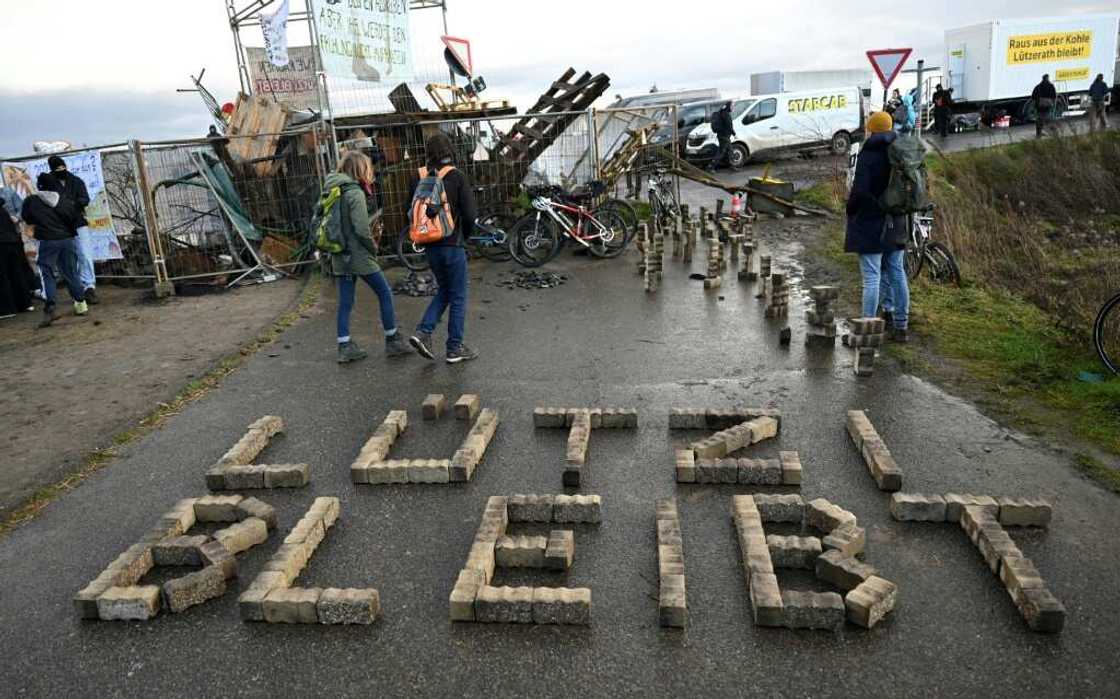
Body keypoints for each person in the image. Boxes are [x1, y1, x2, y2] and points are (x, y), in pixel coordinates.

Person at [324, 151, 410, 362]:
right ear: (361, 169)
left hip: (339, 253)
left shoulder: (331, 189)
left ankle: (344, 346)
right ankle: (393, 340)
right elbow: (362, 229)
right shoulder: (354, 193)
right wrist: (372, 247)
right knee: (384, 293)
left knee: (345, 302)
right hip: (359, 256)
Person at [408, 132, 479, 364]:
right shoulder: (457, 177)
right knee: (457, 295)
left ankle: (423, 332)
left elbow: (409, 211)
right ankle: (454, 347)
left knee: (445, 290)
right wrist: (464, 237)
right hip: (452, 244)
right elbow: (469, 215)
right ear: (451, 150)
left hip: (429, 244)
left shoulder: (417, 176)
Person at [844, 111, 909, 342]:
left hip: (872, 221)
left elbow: (860, 191)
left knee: (871, 277)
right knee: (896, 271)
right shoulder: (901, 150)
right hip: (898, 220)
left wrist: (850, 208)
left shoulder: (869, 154)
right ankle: (900, 326)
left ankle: (867, 329)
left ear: (872, 129)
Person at [21, 174, 88, 327]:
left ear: (39, 186)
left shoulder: (31, 201)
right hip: (67, 240)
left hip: (47, 241)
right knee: (71, 271)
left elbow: (27, 218)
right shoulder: (64, 200)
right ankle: (81, 303)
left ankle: (50, 306)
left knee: (47, 272)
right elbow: (73, 218)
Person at [39, 156, 98, 304]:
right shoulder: (49, 182)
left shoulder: (76, 181)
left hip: (78, 222)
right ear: (52, 169)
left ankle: (89, 286)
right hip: (61, 227)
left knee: (84, 254)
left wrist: (73, 205)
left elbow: (85, 198)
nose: (61, 171)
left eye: (62, 167)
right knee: (69, 260)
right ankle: (77, 290)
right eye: (57, 169)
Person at [0, 188, 36, 318]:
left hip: (2, 245)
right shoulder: (3, 210)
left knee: (3, 276)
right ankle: (25, 303)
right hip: (13, 242)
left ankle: (6, 309)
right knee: (17, 273)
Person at [709, 102, 735, 171]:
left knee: (730, 150)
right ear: (728, 106)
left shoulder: (722, 112)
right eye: (732, 106)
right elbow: (729, 125)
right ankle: (711, 166)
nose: (733, 107)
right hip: (724, 136)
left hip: (722, 135)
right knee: (721, 152)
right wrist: (734, 134)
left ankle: (732, 165)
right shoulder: (726, 114)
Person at [1031, 74, 1057, 139]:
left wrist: (1035, 104)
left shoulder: (1038, 86)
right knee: (1048, 119)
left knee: (1039, 119)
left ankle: (1038, 134)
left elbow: (1033, 96)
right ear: (1047, 78)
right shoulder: (1051, 86)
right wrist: (1052, 103)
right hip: (1047, 106)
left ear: (1042, 79)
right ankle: (1054, 133)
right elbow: (1054, 96)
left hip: (1039, 106)